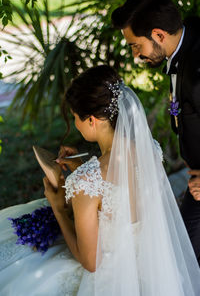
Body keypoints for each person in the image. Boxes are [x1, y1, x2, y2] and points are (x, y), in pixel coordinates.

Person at [0, 65, 200, 296]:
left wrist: (58, 209)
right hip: (151, 267)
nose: (76, 123)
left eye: (76, 117)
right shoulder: (150, 152)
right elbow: (120, 185)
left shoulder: (86, 180)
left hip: (114, 279)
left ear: (92, 120)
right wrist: (83, 168)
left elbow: (91, 263)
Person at [112, 0, 200, 265]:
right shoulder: (185, 46)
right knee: (184, 256)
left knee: (184, 262)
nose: (135, 56)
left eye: (136, 46)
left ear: (158, 34)